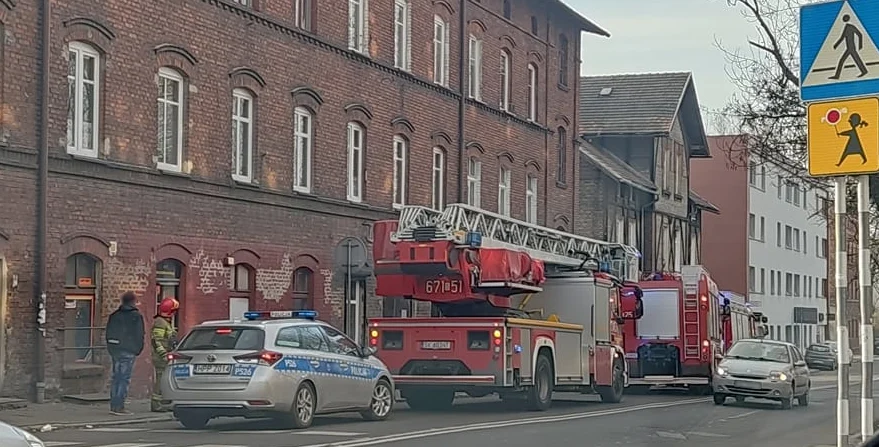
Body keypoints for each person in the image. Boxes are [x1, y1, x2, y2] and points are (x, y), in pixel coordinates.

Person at [105, 291, 145, 416]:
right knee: (124, 378)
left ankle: (114, 405)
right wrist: (137, 349)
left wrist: (111, 347)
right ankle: (120, 406)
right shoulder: (135, 316)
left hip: (116, 349)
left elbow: (108, 333)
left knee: (116, 377)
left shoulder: (115, 315)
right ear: (133, 301)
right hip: (128, 350)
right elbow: (139, 334)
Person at [151, 297, 179, 412]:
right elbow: (156, 340)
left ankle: (163, 401)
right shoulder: (160, 322)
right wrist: (163, 354)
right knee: (161, 379)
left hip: (166, 355)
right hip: (161, 356)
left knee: (164, 379)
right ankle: (156, 403)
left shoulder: (165, 322)